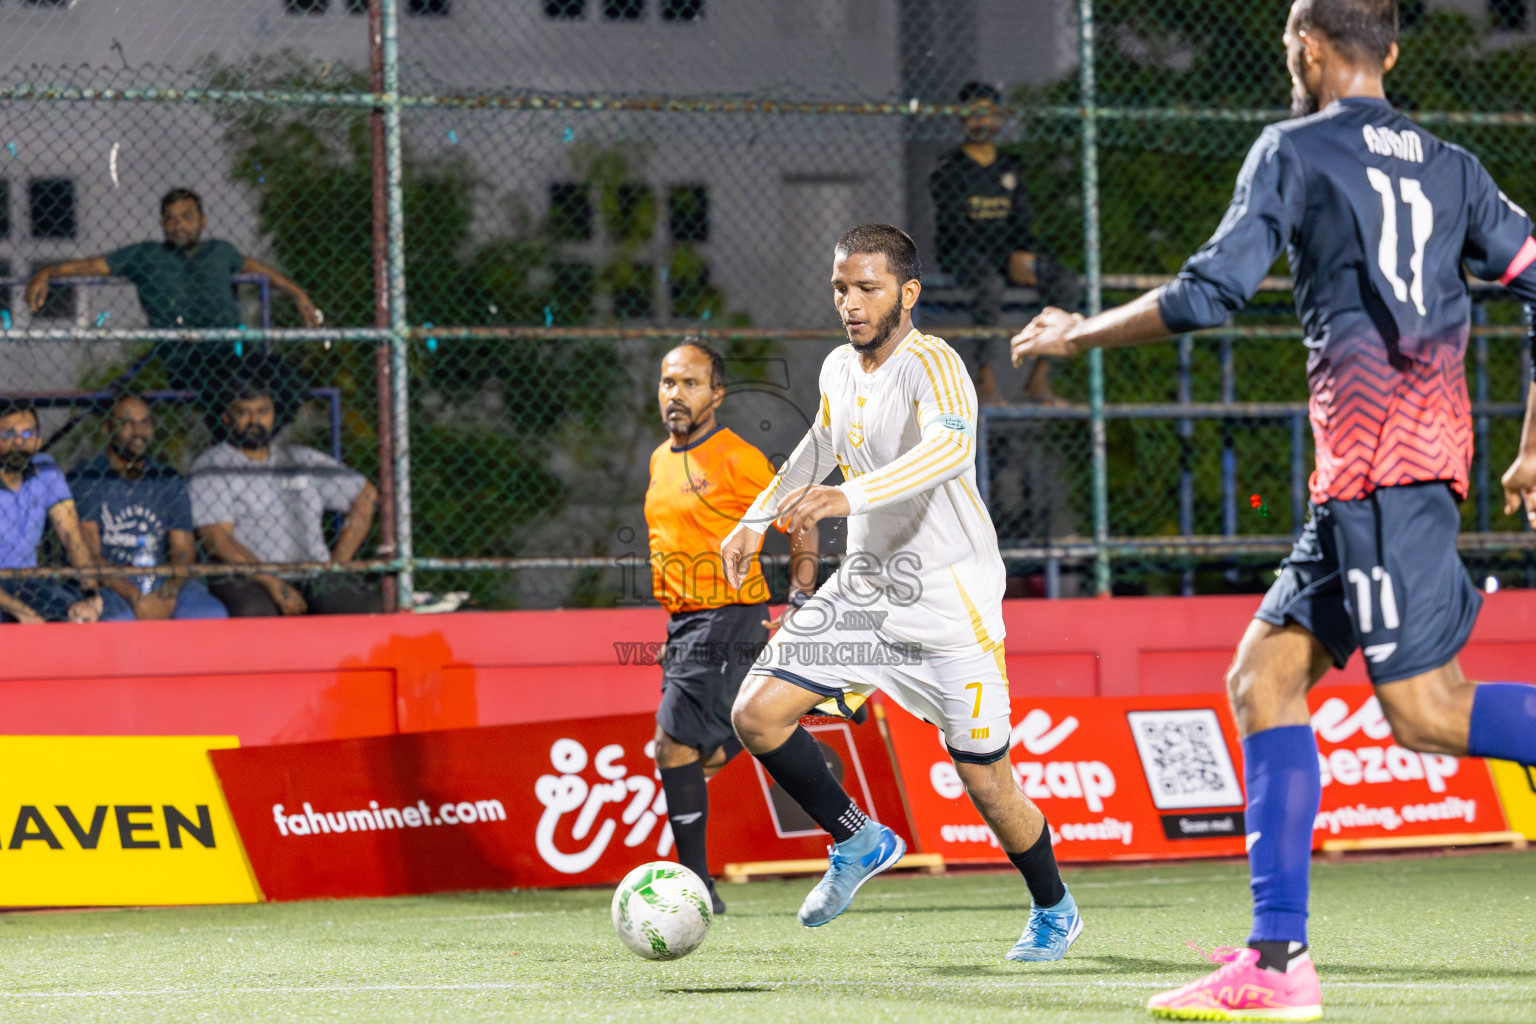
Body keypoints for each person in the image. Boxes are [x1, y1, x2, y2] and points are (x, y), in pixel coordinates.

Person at [1010, 1, 1536, 1017]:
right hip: (1375, 480)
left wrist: (1076, 337)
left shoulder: (1291, 149)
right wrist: (1530, 444)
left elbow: (1211, 295)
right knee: (1264, 676)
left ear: (1305, 46)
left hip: (1383, 474)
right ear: (1391, 50)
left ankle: (1279, 961)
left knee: (1428, 712)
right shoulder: (1455, 165)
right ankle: (1277, 961)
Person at [720, 224, 1081, 960]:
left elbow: (950, 449)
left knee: (989, 787)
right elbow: (820, 446)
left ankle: (1055, 908)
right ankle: (859, 840)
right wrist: (755, 518)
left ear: (907, 293)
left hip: (951, 611)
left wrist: (845, 503)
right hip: (866, 594)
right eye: (841, 289)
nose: (850, 304)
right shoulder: (837, 369)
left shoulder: (935, 363)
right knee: (756, 716)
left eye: (867, 288)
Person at [645, 340, 820, 916]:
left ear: (717, 394)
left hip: (728, 616)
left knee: (671, 743)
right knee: (693, 750)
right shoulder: (659, 458)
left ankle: (696, 888)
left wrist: (801, 596)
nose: (677, 393)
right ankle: (799, 705)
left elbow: (801, 517)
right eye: (670, 382)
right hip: (684, 623)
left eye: (691, 383)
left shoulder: (737, 459)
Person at [23, 188, 321, 390]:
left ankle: (251, 447)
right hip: (185, 359)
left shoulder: (220, 251)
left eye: (186, 217)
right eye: (171, 219)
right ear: (163, 224)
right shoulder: (146, 255)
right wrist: (48, 271)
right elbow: (91, 265)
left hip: (230, 354)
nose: (178, 225)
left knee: (289, 381)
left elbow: (260, 270)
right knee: (227, 386)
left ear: (202, 222)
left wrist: (300, 296)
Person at [190, 375, 380, 617]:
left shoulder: (301, 458)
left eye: (263, 411)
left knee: (362, 604)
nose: (254, 420)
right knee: (256, 610)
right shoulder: (212, 466)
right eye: (244, 412)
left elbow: (365, 494)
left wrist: (337, 565)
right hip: (246, 575)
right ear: (227, 418)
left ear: (273, 415)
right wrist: (272, 582)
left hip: (312, 573)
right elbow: (216, 538)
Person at [930, 81, 1067, 405]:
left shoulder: (1011, 167)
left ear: (1001, 118)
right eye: (975, 115)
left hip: (1008, 256)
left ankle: (1039, 380)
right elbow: (954, 227)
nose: (983, 123)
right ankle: (985, 380)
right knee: (989, 287)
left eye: (989, 115)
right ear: (962, 119)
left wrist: (1023, 254)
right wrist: (1006, 258)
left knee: (1065, 282)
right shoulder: (949, 169)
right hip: (967, 256)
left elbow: (1022, 219)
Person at [67, 395, 228, 621]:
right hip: (110, 582)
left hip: (158, 577)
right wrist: (134, 595)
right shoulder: (88, 478)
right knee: (119, 620)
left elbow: (183, 549)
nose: (138, 432)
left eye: (144, 423)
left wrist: (172, 587)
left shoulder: (167, 478)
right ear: (107, 427)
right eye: (127, 423)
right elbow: (91, 555)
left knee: (209, 614)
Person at [0, 400, 127, 624]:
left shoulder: (46, 470)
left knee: (96, 614)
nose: (19, 442)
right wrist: (21, 611)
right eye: (8, 433)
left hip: (28, 582)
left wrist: (90, 594)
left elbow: (72, 537)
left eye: (28, 434)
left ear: (38, 441)